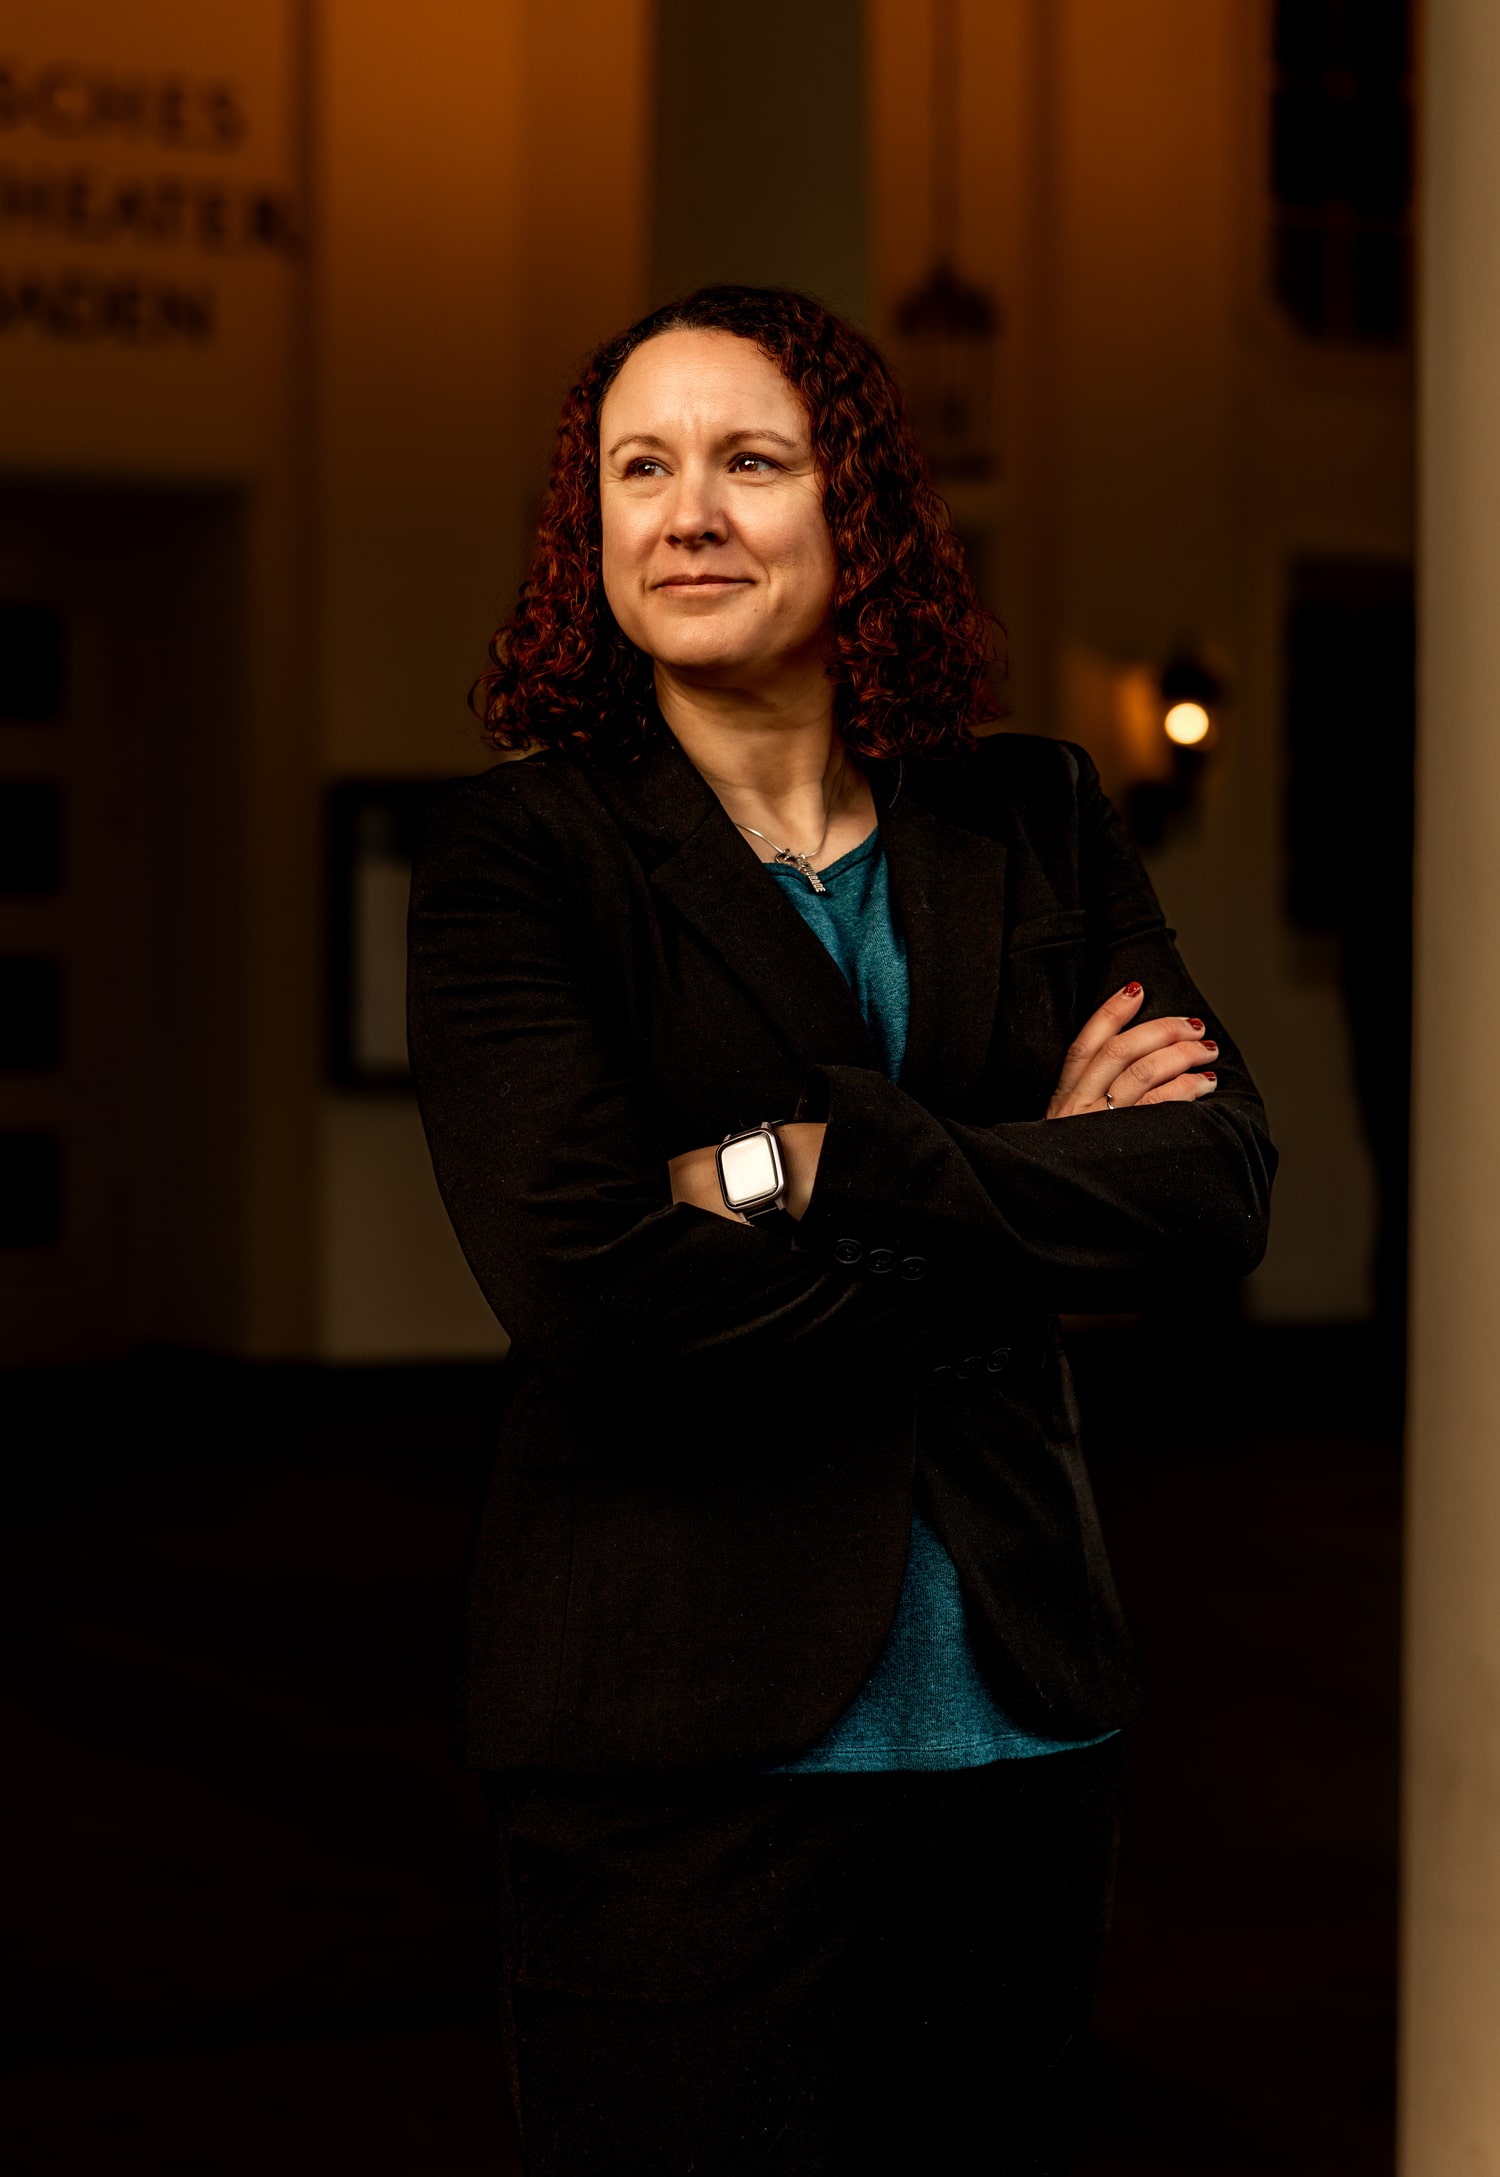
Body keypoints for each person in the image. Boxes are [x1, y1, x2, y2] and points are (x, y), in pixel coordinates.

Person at [407, 284, 1276, 2174]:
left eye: (749, 462)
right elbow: (600, 1299)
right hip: (677, 1755)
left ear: (856, 507)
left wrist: (805, 1163)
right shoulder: (516, 858)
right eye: (640, 469)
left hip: (1020, 1736)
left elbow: (1213, 1191)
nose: (686, 512)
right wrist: (1029, 1181)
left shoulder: (1031, 813)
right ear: (594, 530)